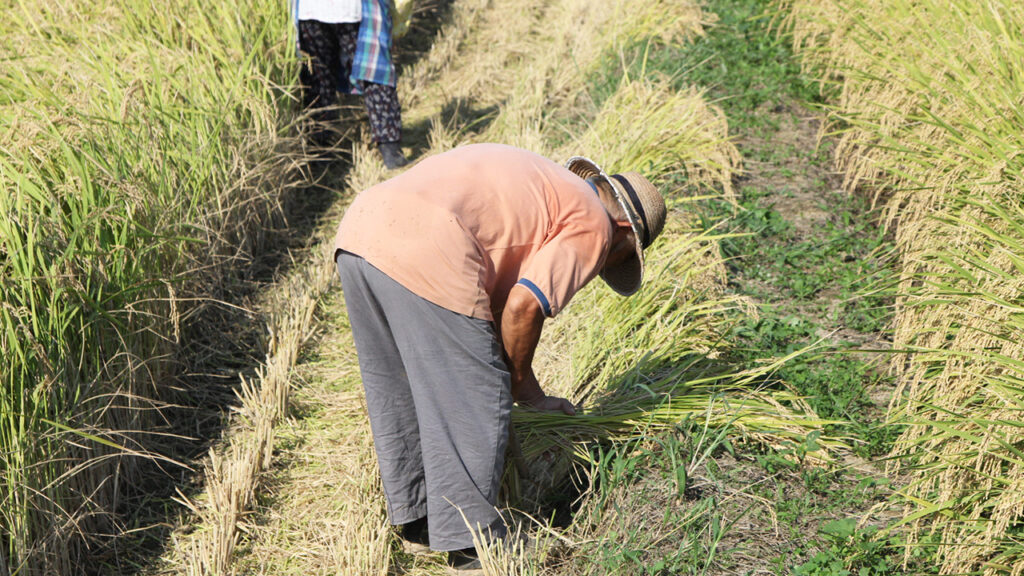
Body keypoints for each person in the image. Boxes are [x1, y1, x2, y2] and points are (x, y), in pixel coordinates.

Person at [332, 143, 666, 571]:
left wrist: (516, 379)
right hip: (428, 243)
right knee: (479, 393)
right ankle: (473, 546)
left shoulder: (549, 185)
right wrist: (522, 388)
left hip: (361, 232)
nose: (603, 267)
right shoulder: (595, 224)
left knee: (397, 387)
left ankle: (420, 522)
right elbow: (524, 307)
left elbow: (490, 311)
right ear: (624, 229)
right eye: (618, 258)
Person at [295, 0, 409, 168]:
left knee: (321, 83)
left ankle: (389, 149)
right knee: (370, 76)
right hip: (328, 12)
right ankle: (389, 150)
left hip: (327, 11)